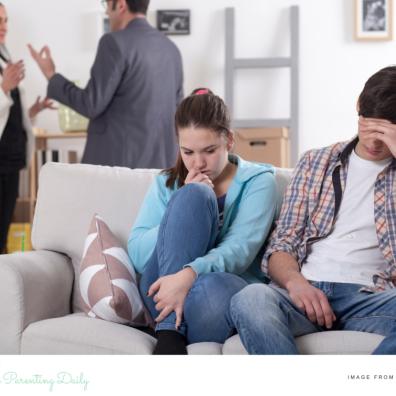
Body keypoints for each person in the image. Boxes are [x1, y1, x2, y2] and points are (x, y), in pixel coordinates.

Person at [229, 66, 396, 354]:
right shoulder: (315, 162)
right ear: (359, 108)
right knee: (250, 299)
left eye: (386, 132)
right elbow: (283, 243)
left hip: (371, 296)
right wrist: (296, 283)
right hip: (307, 289)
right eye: (369, 128)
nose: (374, 142)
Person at [127, 88, 277, 354]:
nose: (197, 163)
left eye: (209, 151)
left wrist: (188, 275)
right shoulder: (165, 182)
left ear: (229, 141)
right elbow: (138, 253)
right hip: (162, 293)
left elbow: (240, 251)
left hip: (210, 295)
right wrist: (180, 207)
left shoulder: (260, 181)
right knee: (194, 194)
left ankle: (169, 332)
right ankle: (170, 331)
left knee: (223, 289)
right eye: (188, 152)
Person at [28, 0, 183, 168]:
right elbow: (179, 111)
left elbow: (91, 104)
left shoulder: (113, 42)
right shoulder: (171, 49)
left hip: (118, 167)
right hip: (162, 166)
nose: (107, 13)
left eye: (108, 6)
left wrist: (51, 75)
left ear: (121, 5)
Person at [0, 2, 54, 253]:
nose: (4, 26)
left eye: (6, 20)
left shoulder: (4, 54)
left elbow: (9, 112)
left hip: (11, 160)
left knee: (3, 229)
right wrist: (4, 88)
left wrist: (32, 112)